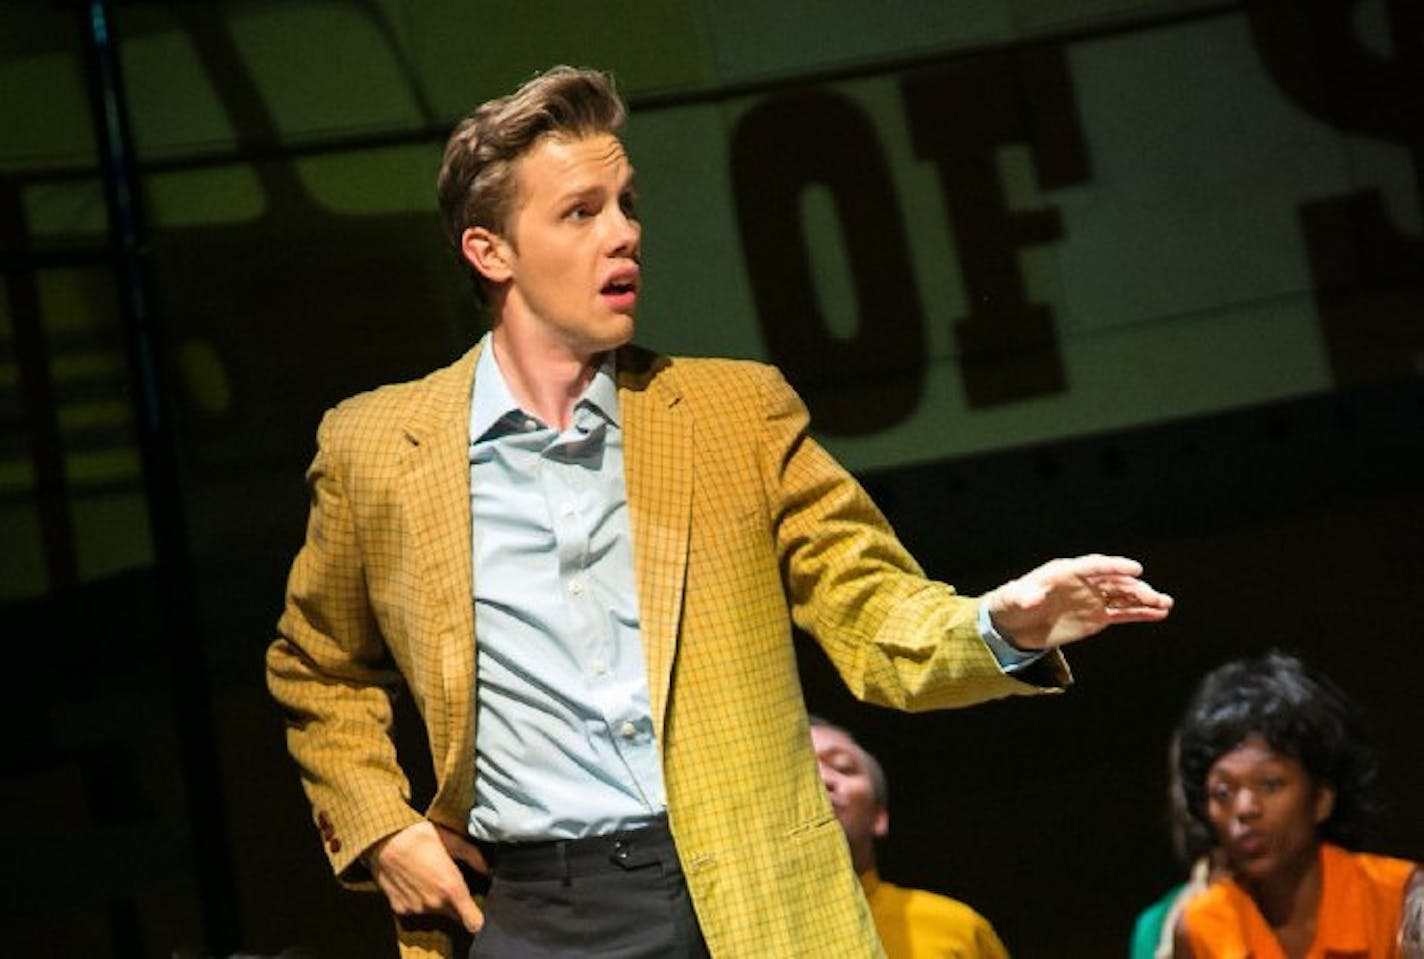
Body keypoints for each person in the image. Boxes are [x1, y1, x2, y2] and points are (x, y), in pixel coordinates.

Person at [265, 65, 1173, 959]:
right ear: (489, 251)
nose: (624, 233)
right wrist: (380, 826)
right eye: (581, 212)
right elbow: (316, 666)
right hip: (534, 907)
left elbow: (870, 606)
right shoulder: (378, 446)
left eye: (627, 203)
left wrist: (996, 624)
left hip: (744, 894)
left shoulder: (736, 414)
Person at [1170, 652, 1422, 958]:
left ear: (1321, 799)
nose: (1245, 809)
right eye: (1223, 792)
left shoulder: (1400, 898)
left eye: (1270, 784)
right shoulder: (1200, 928)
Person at [810, 717, 1010, 958]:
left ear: (879, 816)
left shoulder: (955, 928)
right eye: (801, 770)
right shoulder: (752, 929)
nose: (821, 779)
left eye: (843, 767)